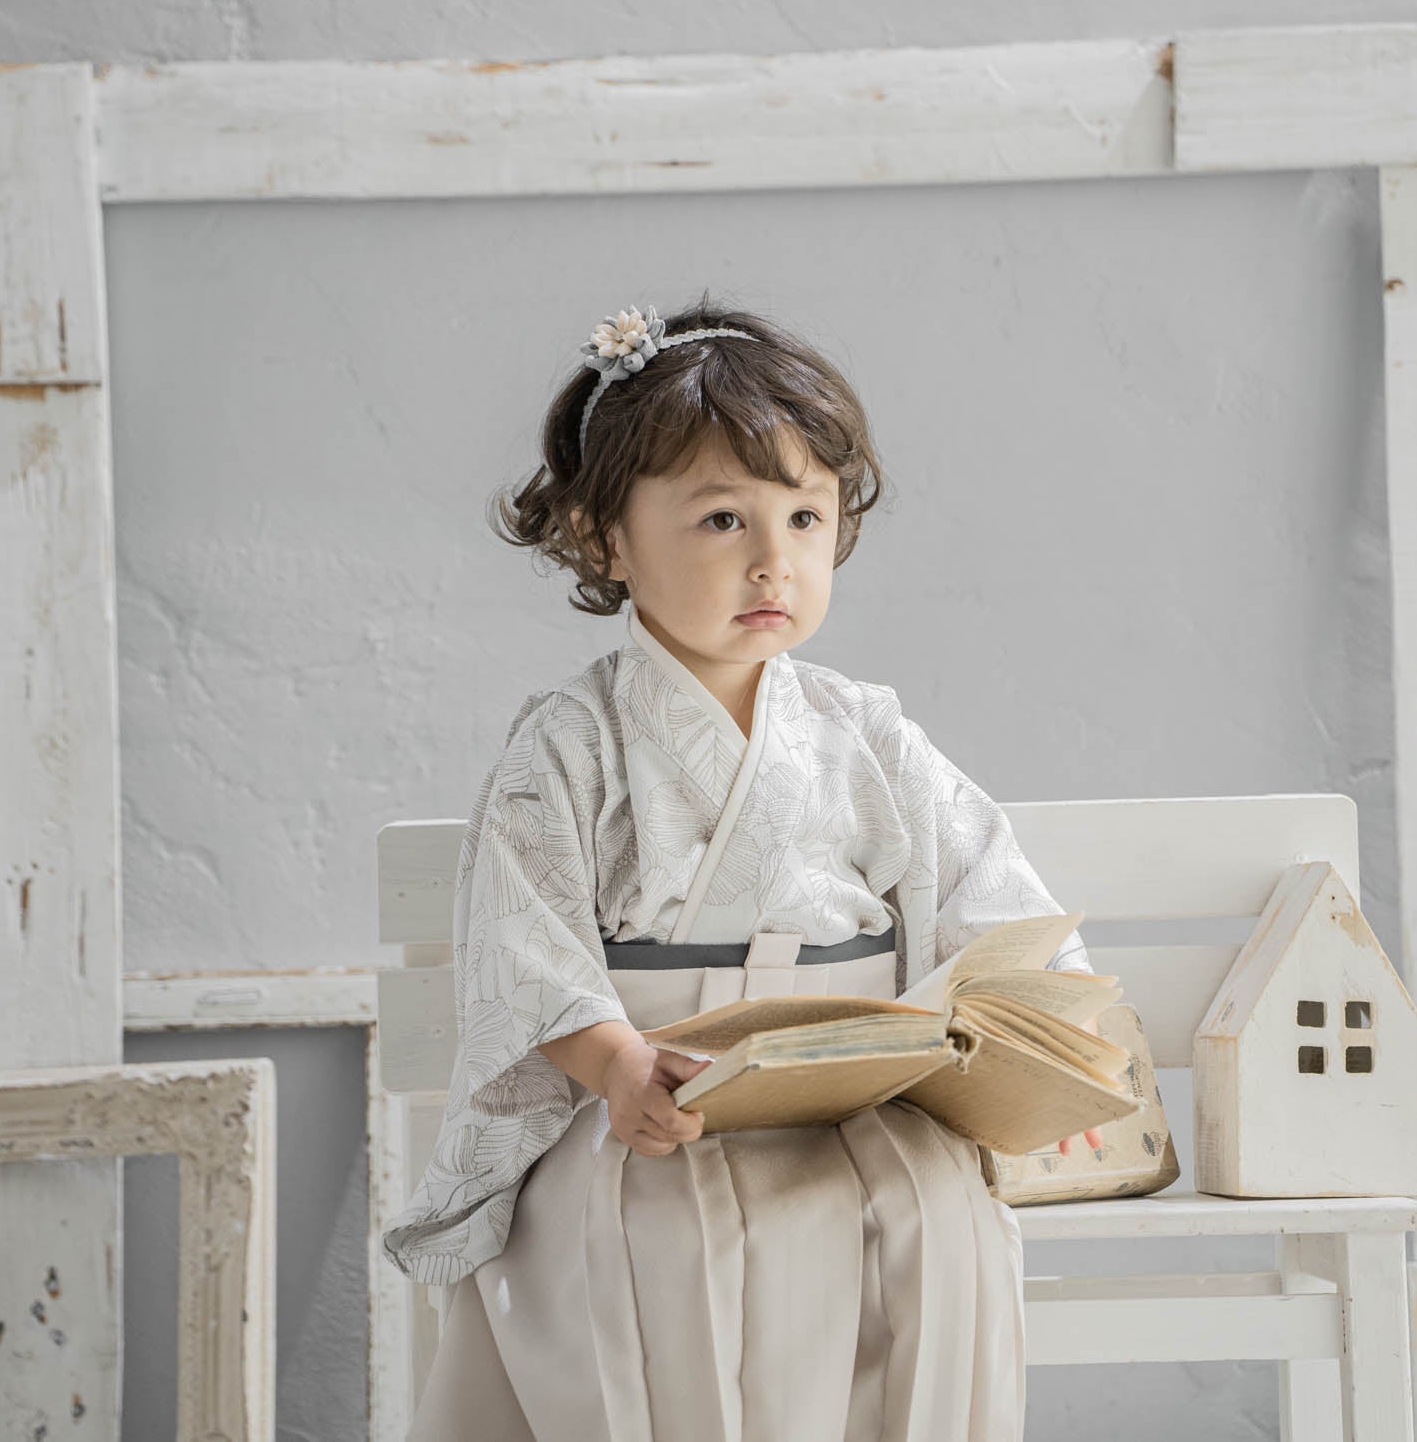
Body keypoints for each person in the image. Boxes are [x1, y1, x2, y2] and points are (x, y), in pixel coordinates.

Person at [384, 294, 1106, 1441]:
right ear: (605, 537)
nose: (776, 562)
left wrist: (1039, 1035)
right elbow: (528, 943)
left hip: (860, 1100)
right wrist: (614, 1061)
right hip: (656, 1100)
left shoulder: (867, 730)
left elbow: (988, 895)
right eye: (724, 520)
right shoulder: (570, 744)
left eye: (807, 520)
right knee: (656, 1243)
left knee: (937, 1220)